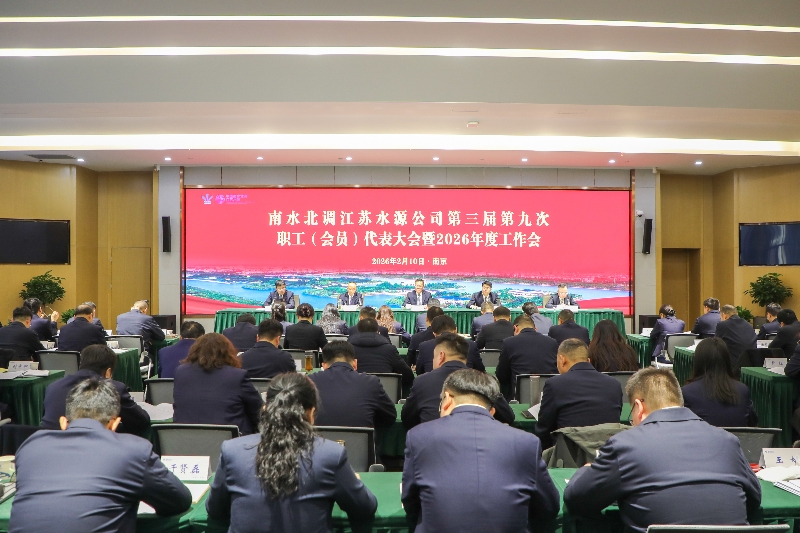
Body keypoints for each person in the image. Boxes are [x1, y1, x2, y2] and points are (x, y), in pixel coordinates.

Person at [564, 367, 761, 533]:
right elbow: (753, 500)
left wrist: (586, 470)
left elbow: (577, 499)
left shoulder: (625, 444)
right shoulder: (728, 440)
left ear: (639, 407)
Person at [10, 378, 191, 533]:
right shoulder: (134, 450)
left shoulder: (29, 447)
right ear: (115, 424)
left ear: (63, 423)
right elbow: (179, 501)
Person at [206, 373, 378, 532]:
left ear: (265, 409)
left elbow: (215, 510)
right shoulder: (332, 454)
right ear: (311, 412)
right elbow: (364, 509)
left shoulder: (232, 450)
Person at [401, 369, 559, 532]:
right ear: (492, 412)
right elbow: (549, 507)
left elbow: (410, 503)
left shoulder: (418, 436)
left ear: (447, 399)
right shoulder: (527, 442)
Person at [402, 333, 513, 429]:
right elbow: (508, 416)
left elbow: (407, 418)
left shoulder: (422, 381)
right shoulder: (484, 381)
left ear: (441, 356)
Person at [41, 345, 150, 436]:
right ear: (108, 372)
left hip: (50, 444)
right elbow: (141, 421)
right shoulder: (113, 388)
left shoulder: (53, 386)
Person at [534, 339, 623, 449]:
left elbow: (543, 430)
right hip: (606, 454)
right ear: (588, 361)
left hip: (569, 455)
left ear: (562, 359)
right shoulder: (614, 385)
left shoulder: (554, 385)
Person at [173, 333, 264, 435]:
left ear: (195, 350)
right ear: (227, 352)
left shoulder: (180, 372)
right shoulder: (237, 376)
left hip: (184, 439)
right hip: (229, 440)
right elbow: (257, 410)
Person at [309, 341, 396, 428]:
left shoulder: (309, 381)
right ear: (355, 363)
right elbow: (390, 417)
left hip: (317, 437)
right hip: (362, 437)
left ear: (324, 366)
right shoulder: (371, 382)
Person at [682, 338, 757, 427]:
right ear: (726, 360)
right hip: (736, 436)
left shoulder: (687, 392)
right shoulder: (742, 390)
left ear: (697, 362)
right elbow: (752, 422)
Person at [496, 315, 559, 397]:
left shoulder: (509, 343)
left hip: (520, 396)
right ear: (535, 329)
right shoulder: (552, 342)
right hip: (549, 394)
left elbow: (501, 374)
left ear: (516, 328)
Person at [348, 318, 415, 389]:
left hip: (354, 393)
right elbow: (408, 376)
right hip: (385, 394)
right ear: (378, 332)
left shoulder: (347, 350)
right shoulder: (390, 349)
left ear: (357, 332)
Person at [416, 315, 485, 374]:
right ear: (455, 330)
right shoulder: (471, 345)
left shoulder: (424, 346)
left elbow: (419, 371)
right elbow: (480, 371)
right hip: (464, 383)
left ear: (434, 334)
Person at [715, 304, 757, 369]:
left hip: (733, 367)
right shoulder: (748, 325)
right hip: (750, 365)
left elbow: (716, 345)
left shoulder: (723, 325)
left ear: (724, 316)